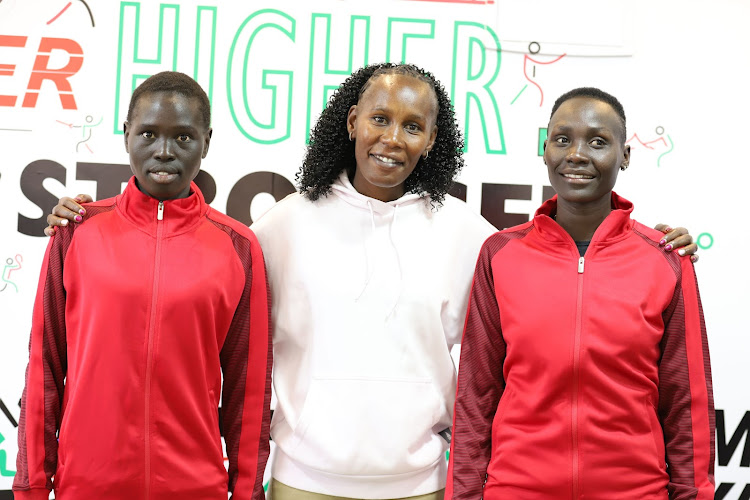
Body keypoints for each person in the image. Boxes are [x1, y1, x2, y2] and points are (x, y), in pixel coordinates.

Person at [43, 65, 699, 500]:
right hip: (299, 481)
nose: (392, 138)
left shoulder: (472, 237)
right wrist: (86, 214)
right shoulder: (277, 228)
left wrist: (648, 244)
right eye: (379, 119)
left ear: (431, 141)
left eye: (413, 127)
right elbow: (235, 363)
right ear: (351, 121)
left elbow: (509, 355)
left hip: (417, 484)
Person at [14, 72, 272, 500]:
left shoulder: (238, 248)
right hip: (88, 486)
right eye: (148, 133)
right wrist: (32, 487)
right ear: (126, 134)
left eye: (184, 137)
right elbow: (45, 367)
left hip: (194, 488)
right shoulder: (76, 231)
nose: (164, 151)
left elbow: (249, 388)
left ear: (206, 142)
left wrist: (247, 492)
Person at [447, 88, 714, 499]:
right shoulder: (501, 254)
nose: (576, 153)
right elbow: (476, 396)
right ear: (545, 149)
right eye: (562, 139)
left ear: (624, 155)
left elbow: (686, 404)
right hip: (517, 490)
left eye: (597, 141)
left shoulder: (665, 260)